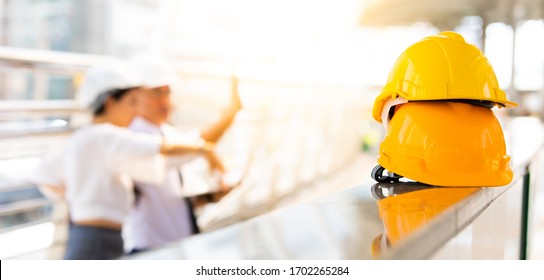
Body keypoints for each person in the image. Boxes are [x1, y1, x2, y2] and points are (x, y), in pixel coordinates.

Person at [29, 61, 220, 260]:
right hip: (99, 240)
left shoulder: (83, 138)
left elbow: (44, 175)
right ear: (111, 102)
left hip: (85, 235)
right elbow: (162, 147)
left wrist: (80, 198)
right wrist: (204, 149)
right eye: (132, 103)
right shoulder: (108, 136)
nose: (135, 111)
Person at [122, 56, 242, 253]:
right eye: (157, 92)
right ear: (134, 96)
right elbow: (188, 148)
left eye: (168, 91)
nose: (165, 100)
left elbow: (173, 197)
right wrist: (225, 121)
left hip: (178, 246)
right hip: (151, 250)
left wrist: (212, 197)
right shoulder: (135, 137)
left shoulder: (164, 132)